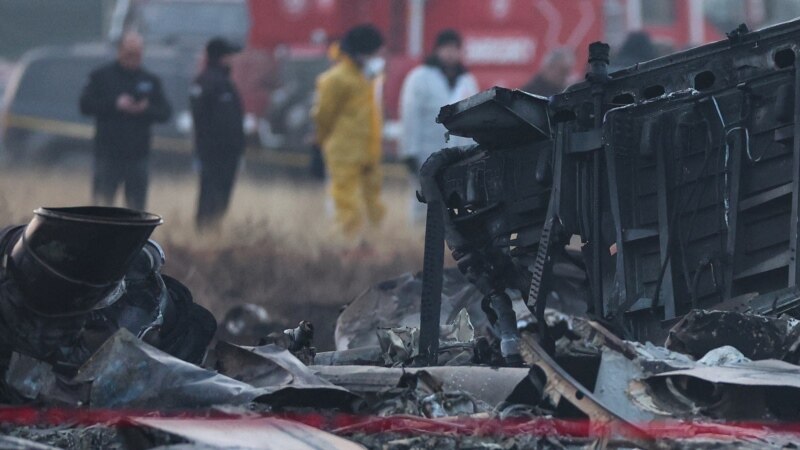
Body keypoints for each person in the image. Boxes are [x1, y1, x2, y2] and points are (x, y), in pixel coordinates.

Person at [80, 32, 171, 211]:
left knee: (137, 210)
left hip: (138, 156)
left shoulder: (150, 80)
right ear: (119, 51)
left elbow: (166, 112)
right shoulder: (101, 76)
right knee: (101, 207)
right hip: (108, 154)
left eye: (137, 53)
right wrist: (115, 104)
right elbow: (85, 105)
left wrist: (146, 109)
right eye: (129, 52)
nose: (133, 57)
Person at [312, 24, 386, 243]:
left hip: (369, 153)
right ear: (360, 53)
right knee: (347, 209)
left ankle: (371, 250)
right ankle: (343, 251)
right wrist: (319, 143)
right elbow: (323, 117)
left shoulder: (369, 79)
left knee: (375, 209)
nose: (378, 58)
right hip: (344, 154)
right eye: (374, 53)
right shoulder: (334, 80)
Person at [399, 29, 479, 222]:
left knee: (456, 203)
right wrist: (409, 151)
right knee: (423, 201)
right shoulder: (419, 78)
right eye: (446, 48)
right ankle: (416, 244)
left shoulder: (467, 80)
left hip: (459, 154)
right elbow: (410, 115)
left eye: (454, 48)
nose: (450, 53)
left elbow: (476, 117)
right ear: (436, 50)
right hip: (426, 152)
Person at [190, 37, 245, 231]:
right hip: (213, 154)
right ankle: (203, 232)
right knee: (210, 196)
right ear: (221, 57)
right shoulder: (206, 82)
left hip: (229, 154)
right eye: (230, 55)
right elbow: (200, 119)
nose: (233, 60)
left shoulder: (226, 83)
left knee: (222, 197)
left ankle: (213, 231)